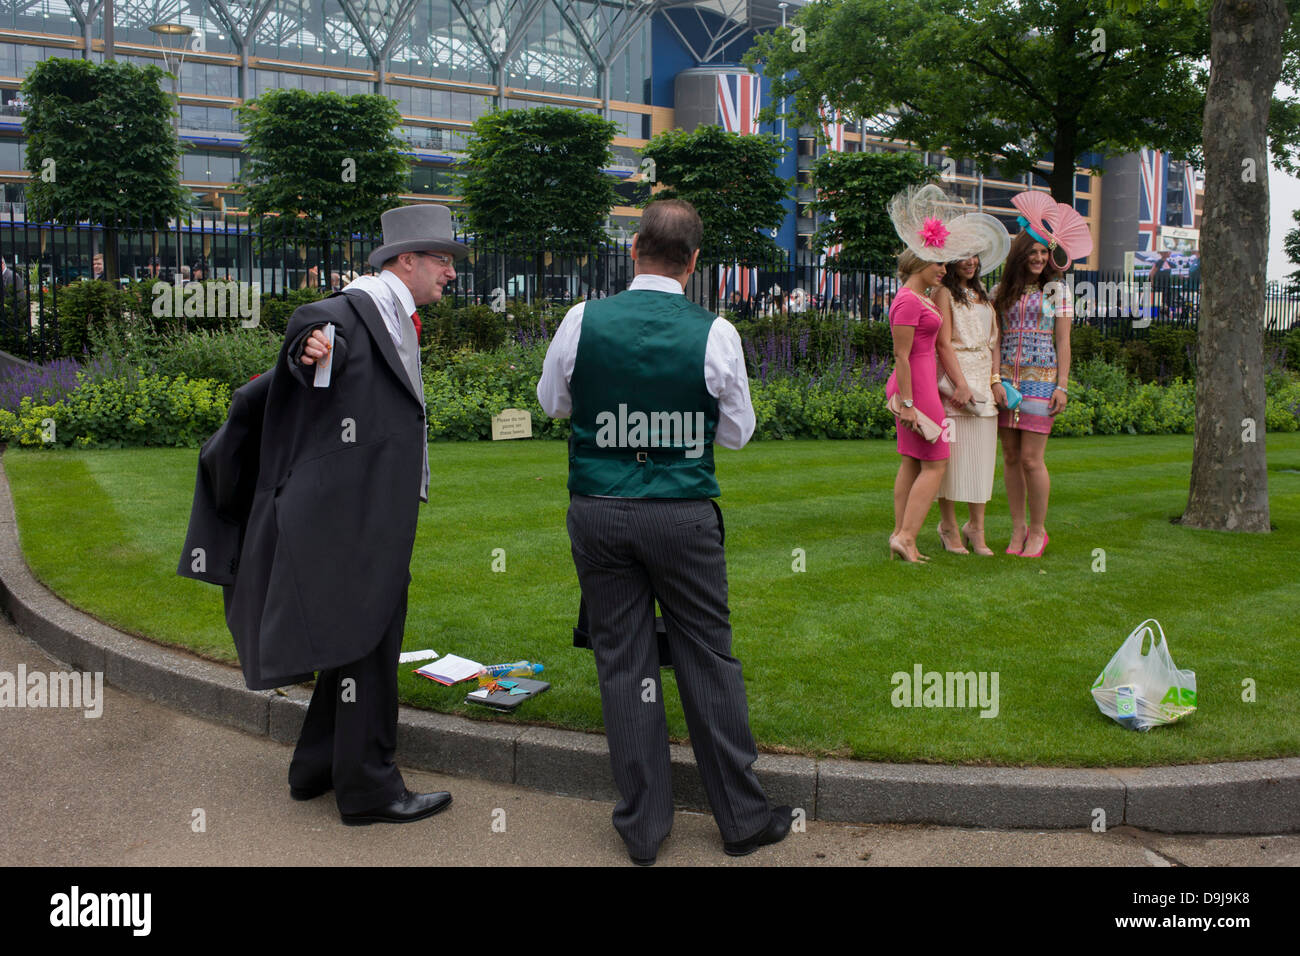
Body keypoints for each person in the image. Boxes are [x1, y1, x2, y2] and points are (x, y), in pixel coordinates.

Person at [178, 203, 464, 825]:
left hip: (366, 514)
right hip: (343, 518)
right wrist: (299, 354)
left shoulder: (392, 317)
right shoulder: (337, 316)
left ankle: (314, 767)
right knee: (372, 643)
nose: (450, 271)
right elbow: (294, 377)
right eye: (441, 259)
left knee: (355, 639)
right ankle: (370, 789)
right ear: (405, 260)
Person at [537, 198, 794, 865]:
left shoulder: (580, 318)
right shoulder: (715, 331)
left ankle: (644, 828)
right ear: (694, 261)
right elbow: (736, 434)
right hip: (681, 512)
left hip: (599, 504)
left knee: (622, 661)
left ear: (633, 250)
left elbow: (553, 403)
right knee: (708, 655)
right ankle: (740, 817)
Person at [883, 185, 987, 562]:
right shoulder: (909, 301)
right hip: (920, 389)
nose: (945, 269)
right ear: (918, 263)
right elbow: (902, 355)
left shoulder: (917, 298)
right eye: (938, 264)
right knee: (937, 461)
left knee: (913, 460)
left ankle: (900, 534)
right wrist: (909, 402)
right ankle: (907, 536)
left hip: (920, 384)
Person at [993, 190, 1093, 557]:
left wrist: (1062, 386)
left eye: (1042, 252)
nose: (1037, 258)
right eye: (1031, 252)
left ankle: (1038, 530)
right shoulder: (1000, 291)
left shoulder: (1056, 291)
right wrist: (993, 381)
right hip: (1005, 383)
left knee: (1033, 459)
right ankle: (1017, 529)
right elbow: (995, 341)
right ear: (1020, 254)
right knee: (1010, 458)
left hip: (1040, 382)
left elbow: (1064, 342)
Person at [932, 214, 1011, 556]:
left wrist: (995, 380)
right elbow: (943, 343)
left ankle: (976, 528)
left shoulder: (983, 296)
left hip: (984, 379)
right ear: (951, 260)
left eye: (975, 255)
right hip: (955, 383)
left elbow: (995, 342)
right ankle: (948, 525)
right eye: (964, 255)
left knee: (981, 460)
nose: (971, 261)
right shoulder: (942, 292)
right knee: (950, 460)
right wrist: (960, 385)